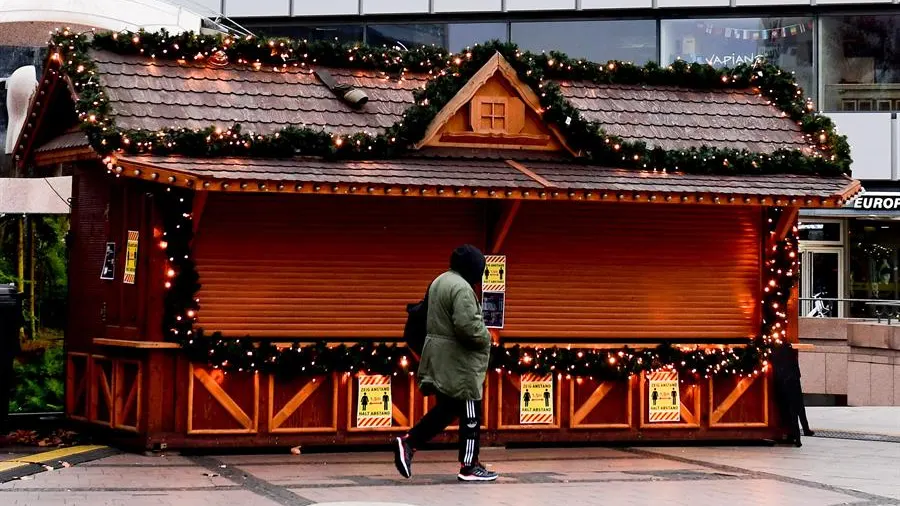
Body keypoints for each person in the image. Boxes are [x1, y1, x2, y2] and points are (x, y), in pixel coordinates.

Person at [393, 245, 497, 482]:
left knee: (447, 409)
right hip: (459, 362)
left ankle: (408, 444)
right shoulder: (461, 288)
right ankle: (469, 465)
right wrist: (486, 336)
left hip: (440, 356)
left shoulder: (440, 280)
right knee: (471, 411)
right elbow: (467, 326)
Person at [771, 344, 814, 447]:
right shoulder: (789, 349)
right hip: (793, 379)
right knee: (799, 407)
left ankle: (797, 437)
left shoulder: (775, 351)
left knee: (791, 411)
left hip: (784, 382)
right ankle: (805, 429)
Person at [0, 284, 24, 437]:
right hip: (6, 353)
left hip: (7, 351)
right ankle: (2, 426)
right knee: (3, 388)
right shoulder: (12, 301)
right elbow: (19, 324)